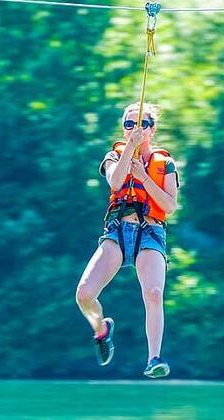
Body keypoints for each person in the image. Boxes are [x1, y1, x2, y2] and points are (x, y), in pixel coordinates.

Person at [75, 102, 180, 378]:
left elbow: (169, 205)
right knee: (84, 295)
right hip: (119, 231)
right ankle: (101, 329)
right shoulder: (114, 156)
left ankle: (153, 358)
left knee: (154, 293)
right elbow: (116, 182)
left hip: (150, 231)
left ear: (152, 129)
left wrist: (144, 177)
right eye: (130, 125)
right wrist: (128, 154)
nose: (136, 129)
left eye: (143, 124)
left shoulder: (165, 164)